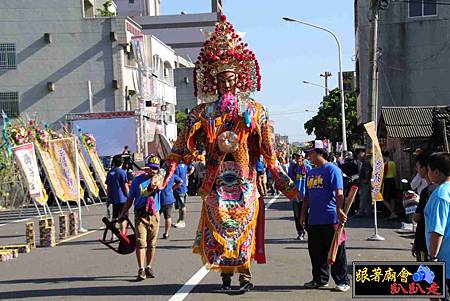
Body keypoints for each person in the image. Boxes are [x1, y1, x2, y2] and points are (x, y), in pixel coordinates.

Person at [162, 15, 298, 292]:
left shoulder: (255, 111)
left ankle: (245, 274)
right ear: (213, 80)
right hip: (215, 184)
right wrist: (167, 174)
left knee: (243, 230)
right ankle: (225, 275)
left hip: (246, 182)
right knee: (219, 230)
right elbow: (180, 147)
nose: (226, 83)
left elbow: (269, 152)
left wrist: (285, 181)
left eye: (231, 78)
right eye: (221, 79)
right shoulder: (203, 113)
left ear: (239, 78)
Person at [300, 141, 350, 292]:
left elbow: (339, 193)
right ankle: (320, 279)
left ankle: (342, 280)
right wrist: (303, 214)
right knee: (316, 252)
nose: (308, 156)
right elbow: (307, 196)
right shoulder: (311, 172)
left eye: (311, 153)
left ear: (320, 152)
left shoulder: (332, 170)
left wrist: (339, 210)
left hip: (331, 218)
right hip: (314, 219)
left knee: (336, 251)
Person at [119, 155, 164, 281]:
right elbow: (130, 198)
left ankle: (149, 266)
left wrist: (155, 176)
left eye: (155, 168)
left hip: (154, 215)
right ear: (146, 167)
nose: (152, 170)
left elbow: (158, 186)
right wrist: (123, 212)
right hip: (140, 214)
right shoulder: (137, 180)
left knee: (152, 244)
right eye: (150, 167)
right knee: (140, 242)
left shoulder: (159, 178)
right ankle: (141, 269)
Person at [424, 152, 450, 300]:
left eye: (428, 170)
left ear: (436, 172)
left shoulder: (440, 195)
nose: (428, 174)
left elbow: (437, 231)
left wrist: (432, 259)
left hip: (444, 262)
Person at [412, 153, 433, 261]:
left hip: (425, 241)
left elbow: (417, 217)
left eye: (417, 166)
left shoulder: (428, 191)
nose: (417, 169)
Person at [288, 152, 311, 240]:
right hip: (296, 196)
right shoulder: (292, 167)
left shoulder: (308, 168)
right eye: (296, 157)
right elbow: (289, 181)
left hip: (306, 195)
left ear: (303, 158)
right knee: (297, 216)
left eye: (299, 157)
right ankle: (301, 232)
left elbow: (310, 182)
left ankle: (311, 232)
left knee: (307, 215)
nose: (298, 159)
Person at [105, 155, 128, 233]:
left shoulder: (110, 172)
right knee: (123, 217)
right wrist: (129, 196)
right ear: (122, 162)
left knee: (114, 217)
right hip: (122, 198)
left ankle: (113, 234)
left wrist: (108, 197)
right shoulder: (122, 172)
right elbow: (125, 186)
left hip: (113, 198)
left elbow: (107, 187)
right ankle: (122, 234)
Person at [159, 171, 183, 239]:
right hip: (169, 198)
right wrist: (173, 188)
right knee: (168, 217)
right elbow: (180, 181)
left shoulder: (158, 175)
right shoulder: (172, 175)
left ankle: (154, 232)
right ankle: (166, 233)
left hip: (159, 199)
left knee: (156, 217)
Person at [173, 161, 194, 228]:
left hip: (179, 188)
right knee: (180, 206)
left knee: (182, 206)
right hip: (182, 187)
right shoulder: (185, 164)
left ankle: (182, 221)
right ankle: (179, 220)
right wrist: (187, 174)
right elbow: (192, 168)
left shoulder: (176, 165)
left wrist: (187, 174)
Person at [382, 151, 399, 220]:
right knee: (392, 198)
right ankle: (393, 213)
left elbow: (383, 174)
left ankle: (393, 212)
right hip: (393, 180)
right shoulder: (393, 163)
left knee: (384, 198)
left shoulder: (386, 164)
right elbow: (395, 173)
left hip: (387, 181)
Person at [356, 151, 373, 217]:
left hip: (365, 182)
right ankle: (368, 212)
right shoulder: (366, 163)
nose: (359, 159)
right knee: (368, 198)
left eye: (359, 157)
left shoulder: (366, 163)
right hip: (367, 182)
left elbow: (367, 172)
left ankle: (361, 212)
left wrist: (366, 179)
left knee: (363, 197)